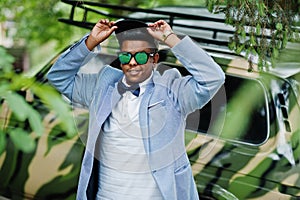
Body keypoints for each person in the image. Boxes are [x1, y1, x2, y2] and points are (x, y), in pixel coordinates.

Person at [47, 18, 225, 200]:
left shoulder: (172, 91)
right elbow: (58, 76)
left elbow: (213, 77)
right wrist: (91, 41)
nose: (132, 62)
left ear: (154, 59)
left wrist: (170, 38)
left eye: (140, 56)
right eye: (126, 56)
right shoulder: (102, 86)